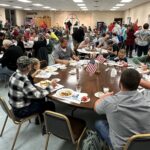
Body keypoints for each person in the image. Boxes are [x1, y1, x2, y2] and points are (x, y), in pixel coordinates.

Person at [94, 69, 150, 150]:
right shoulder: (147, 99)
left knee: (98, 123)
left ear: (120, 82)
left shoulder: (110, 102)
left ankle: (107, 146)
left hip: (122, 147)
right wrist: (136, 80)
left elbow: (96, 108)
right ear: (138, 84)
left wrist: (103, 97)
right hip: (145, 146)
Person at [8, 56, 56, 126]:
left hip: (14, 106)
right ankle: (50, 126)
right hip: (21, 111)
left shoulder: (13, 75)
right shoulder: (24, 80)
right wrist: (51, 86)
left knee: (41, 99)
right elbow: (38, 95)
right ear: (29, 67)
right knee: (50, 104)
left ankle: (40, 117)